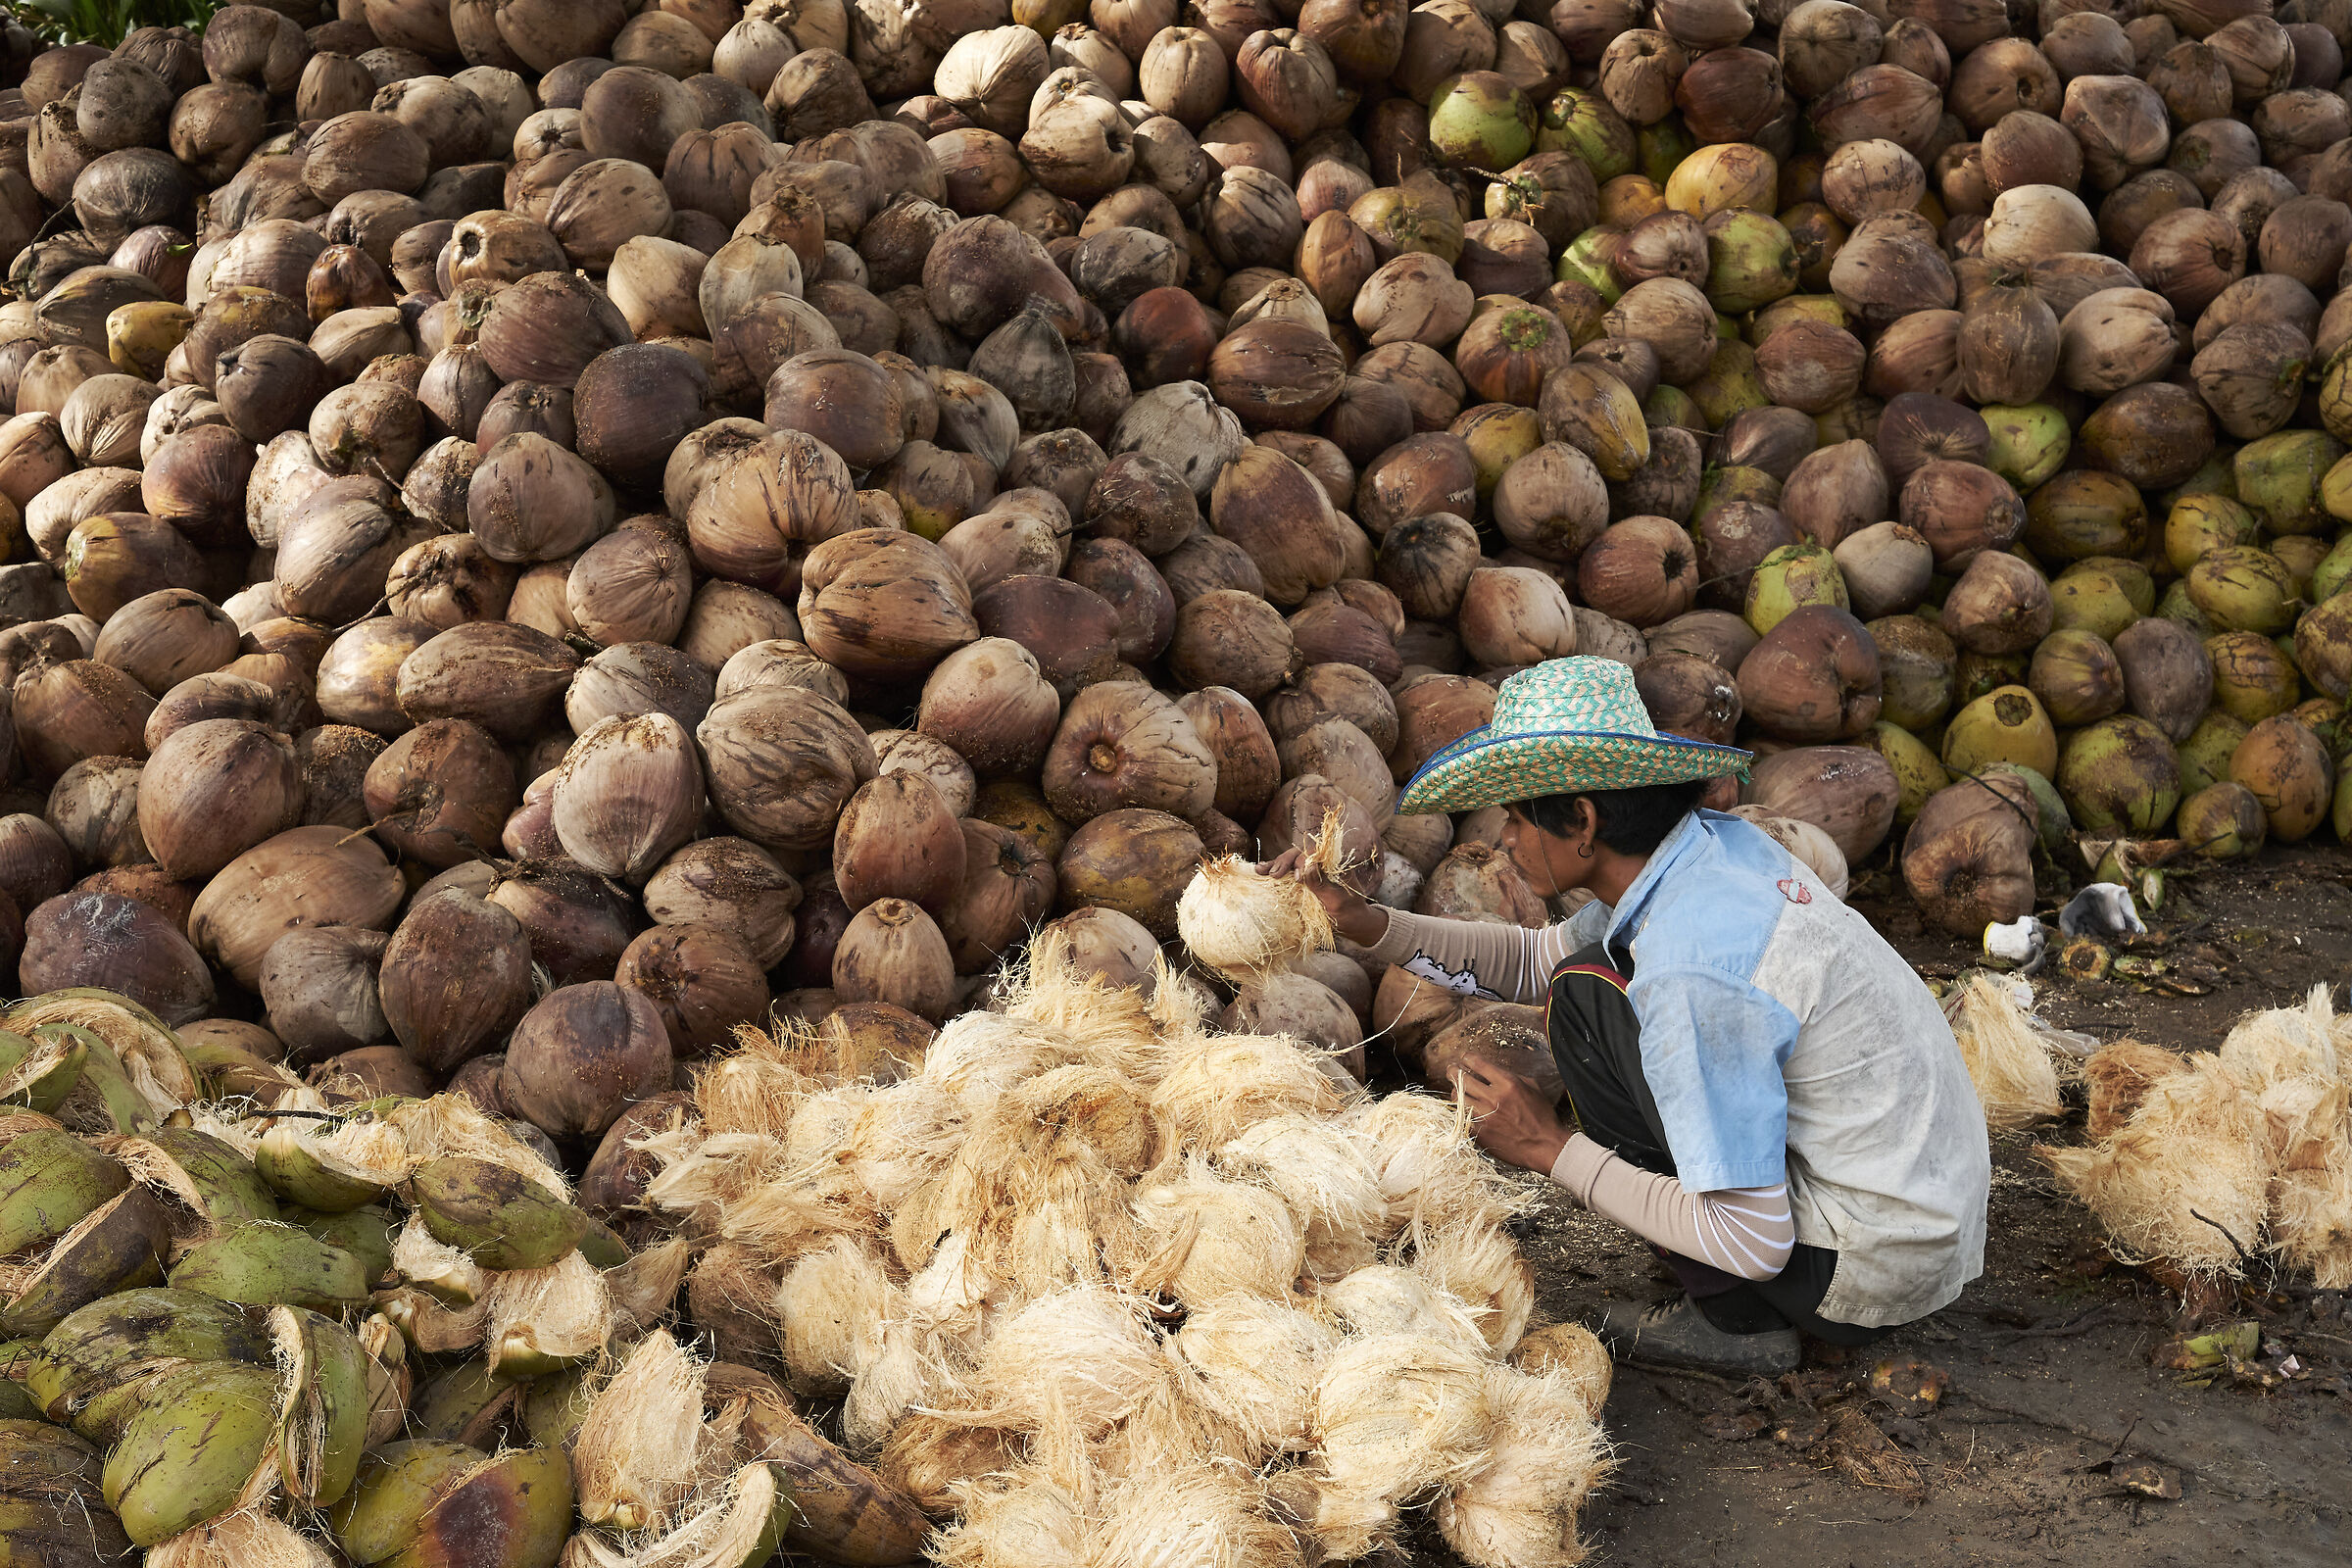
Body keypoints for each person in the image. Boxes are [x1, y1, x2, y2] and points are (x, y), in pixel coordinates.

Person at [1271, 656, 1990, 1375]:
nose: (1508, 839)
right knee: (1582, 976)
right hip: (1926, 1225)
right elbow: (1533, 958)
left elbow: (1754, 1241)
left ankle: (1734, 1320)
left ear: (1582, 820)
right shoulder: (1712, 851)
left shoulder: (1691, 968)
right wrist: (1364, 922)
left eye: (1519, 818)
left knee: (1588, 1001)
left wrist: (1549, 1149)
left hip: (1864, 1273)